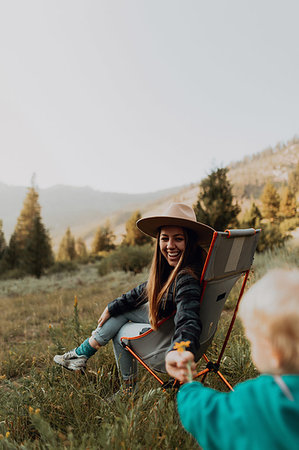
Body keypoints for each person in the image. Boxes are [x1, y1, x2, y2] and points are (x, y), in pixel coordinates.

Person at [54, 203, 214, 391]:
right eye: (165, 239)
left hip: (170, 344)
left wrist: (179, 351)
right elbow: (145, 289)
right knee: (122, 310)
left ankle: (128, 391)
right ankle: (80, 355)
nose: (170, 246)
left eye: (178, 239)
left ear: (190, 241)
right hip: (175, 327)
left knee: (120, 332)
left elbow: (188, 318)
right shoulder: (183, 267)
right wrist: (112, 306)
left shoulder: (187, 278)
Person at [166, 268, 299, 450]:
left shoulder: (257, 401)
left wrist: (187, 384)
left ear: (276, 355)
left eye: (253, 340)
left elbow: (207, 414)